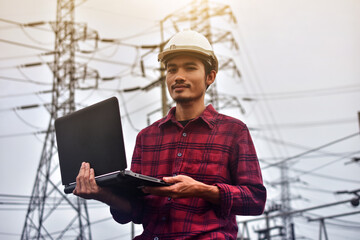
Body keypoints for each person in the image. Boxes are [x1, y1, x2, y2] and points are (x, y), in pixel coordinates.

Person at [73, 30, 266, 240]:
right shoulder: (146, 137)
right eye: (171, 70)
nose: (178, 76)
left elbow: (255, 201)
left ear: (210, 76)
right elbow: (137, 211)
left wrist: (201, 190)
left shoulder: (233, 131)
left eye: (190, 68)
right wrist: (102, 193)